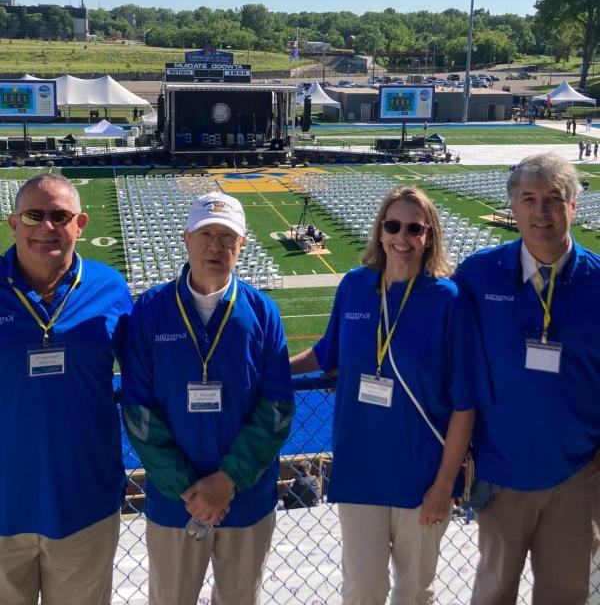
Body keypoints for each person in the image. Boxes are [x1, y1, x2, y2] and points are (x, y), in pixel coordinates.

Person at [290, 186, 490, 605]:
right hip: (361, 466)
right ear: (380, 232)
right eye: (393, 225)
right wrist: (268, 369)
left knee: (414, 591)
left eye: (414, 228)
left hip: (422, 475)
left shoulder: (448, 300)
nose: (403, 236)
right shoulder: (355, 286)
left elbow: (464, 402)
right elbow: (327, 355)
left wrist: (443, 483)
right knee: (362, 589)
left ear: (429, 236)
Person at [121, 192, 294, 605]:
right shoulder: (149, 310)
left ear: (242, 244)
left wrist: (226, 481)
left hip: (246, 498)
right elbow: (138, 413)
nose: (215, 246)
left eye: (226, 237)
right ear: (186, 239)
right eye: (206, 235)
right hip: (173, 502)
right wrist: (193, 492)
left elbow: (278, 410)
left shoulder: (262, 312)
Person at [454, 154, 600, 605]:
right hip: (501, 472)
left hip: (577, 474)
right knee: (493, 592)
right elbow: (445, 354)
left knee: (567, 594)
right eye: (529, 200)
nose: (542, 212)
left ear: (574, 207)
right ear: (512, 209)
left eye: (555, 199)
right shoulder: (477, 274)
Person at [0, 173, 132, 604]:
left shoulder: (109, 287)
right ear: (13, 222)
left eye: (60, 216)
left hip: (85, 504)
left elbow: (148, 376)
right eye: (34, 215)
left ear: (81, 224)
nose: (47, 227)